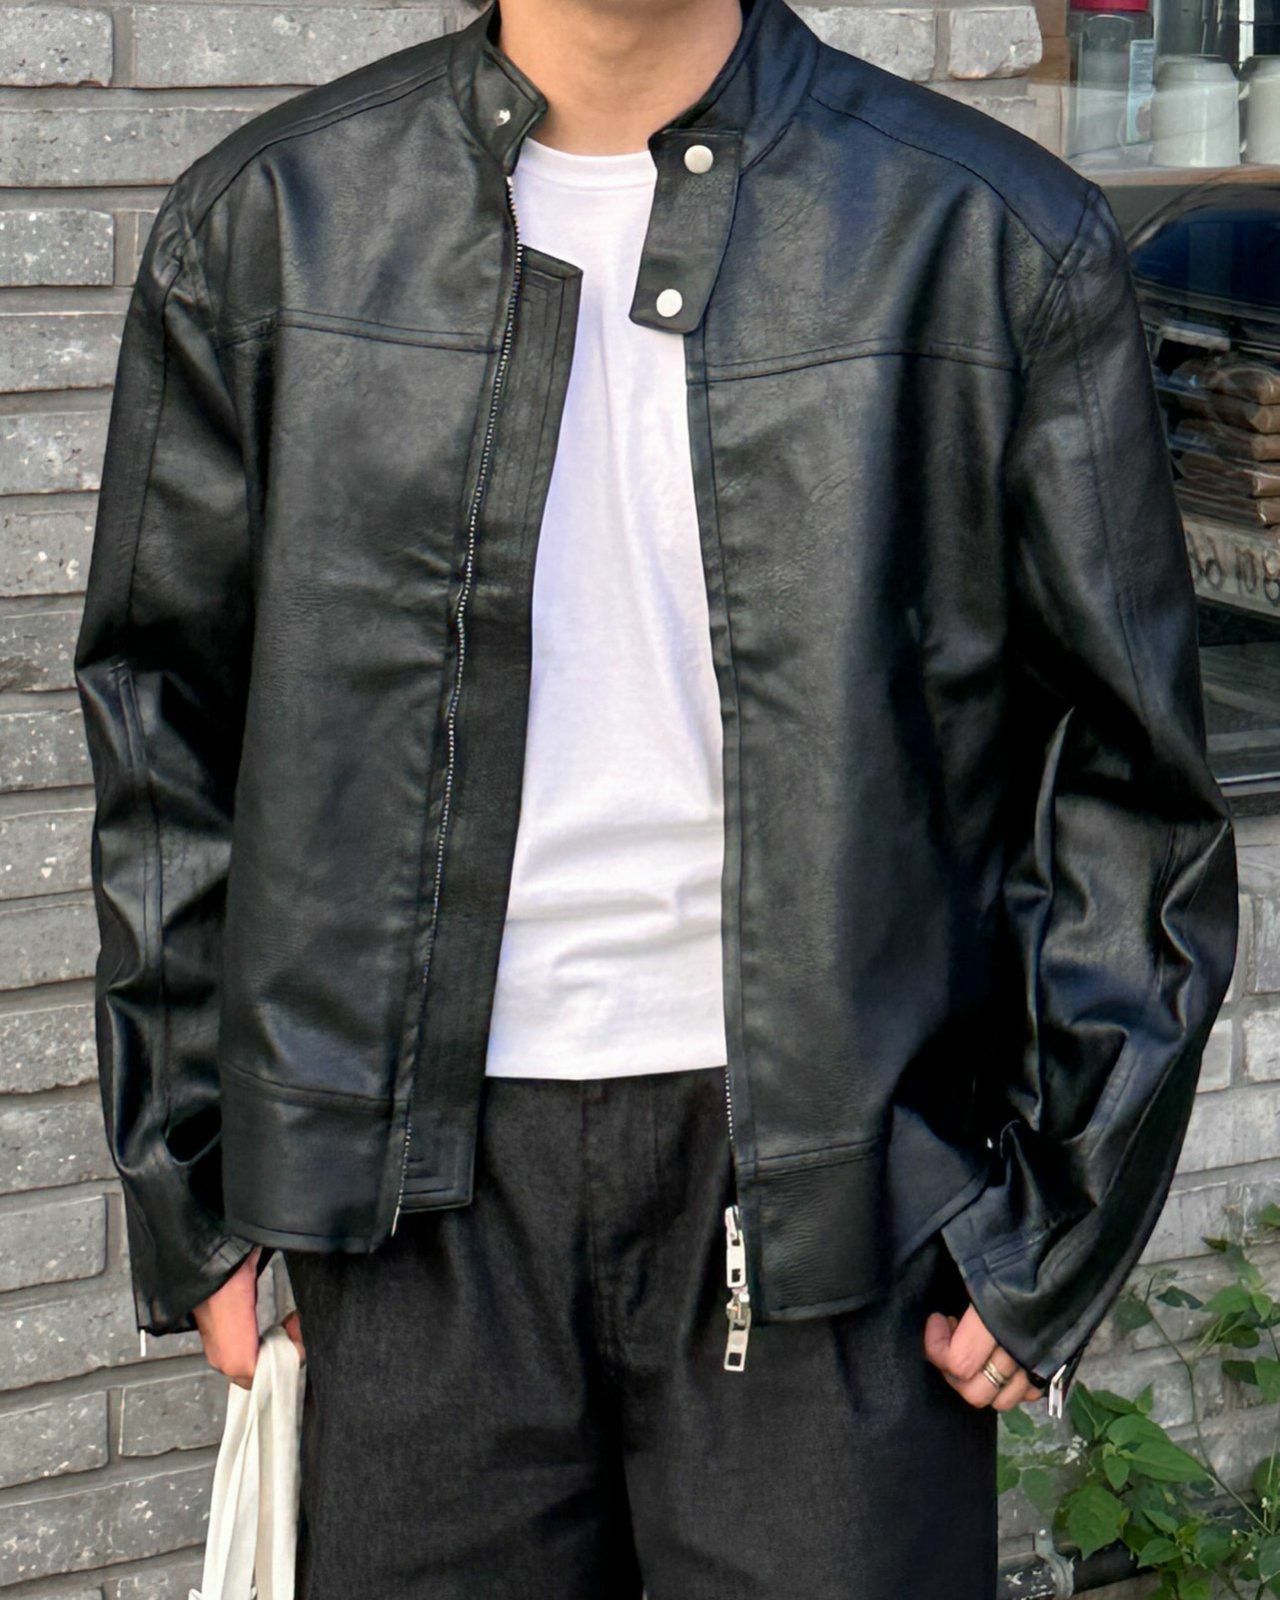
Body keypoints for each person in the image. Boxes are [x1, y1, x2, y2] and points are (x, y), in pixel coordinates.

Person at [73, 0, 1240, 1592]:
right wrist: (193, 1184)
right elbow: (165, 731)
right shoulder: (272, 227)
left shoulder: (986, 236)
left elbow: (1125, 771)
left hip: (839, 1195)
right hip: (407, 1202)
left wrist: (1055, 1215)